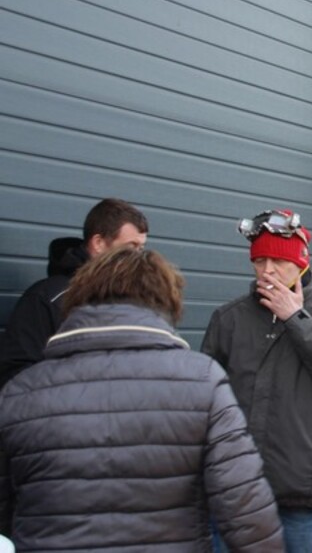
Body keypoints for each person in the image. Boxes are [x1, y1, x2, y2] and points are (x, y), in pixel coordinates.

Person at [0, 247, 283, 551]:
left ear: (78, 299)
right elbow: (246, 510)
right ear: (166, 303)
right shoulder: (202, 382)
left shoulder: (21, 392)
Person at [202, 209, 312, 553]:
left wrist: (296, 318)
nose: (267, 270)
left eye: (277, 261)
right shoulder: (229, 319)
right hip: (235, 491)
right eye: (259, 260)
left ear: (301, 263)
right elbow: (204, 402)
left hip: (302, 497)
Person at [0, 197, 148, 388]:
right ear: (98, 243)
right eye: (131, 247)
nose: (138, 257)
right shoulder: (47, 298)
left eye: (141, 248)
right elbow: (15, 375)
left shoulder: (137, 302)